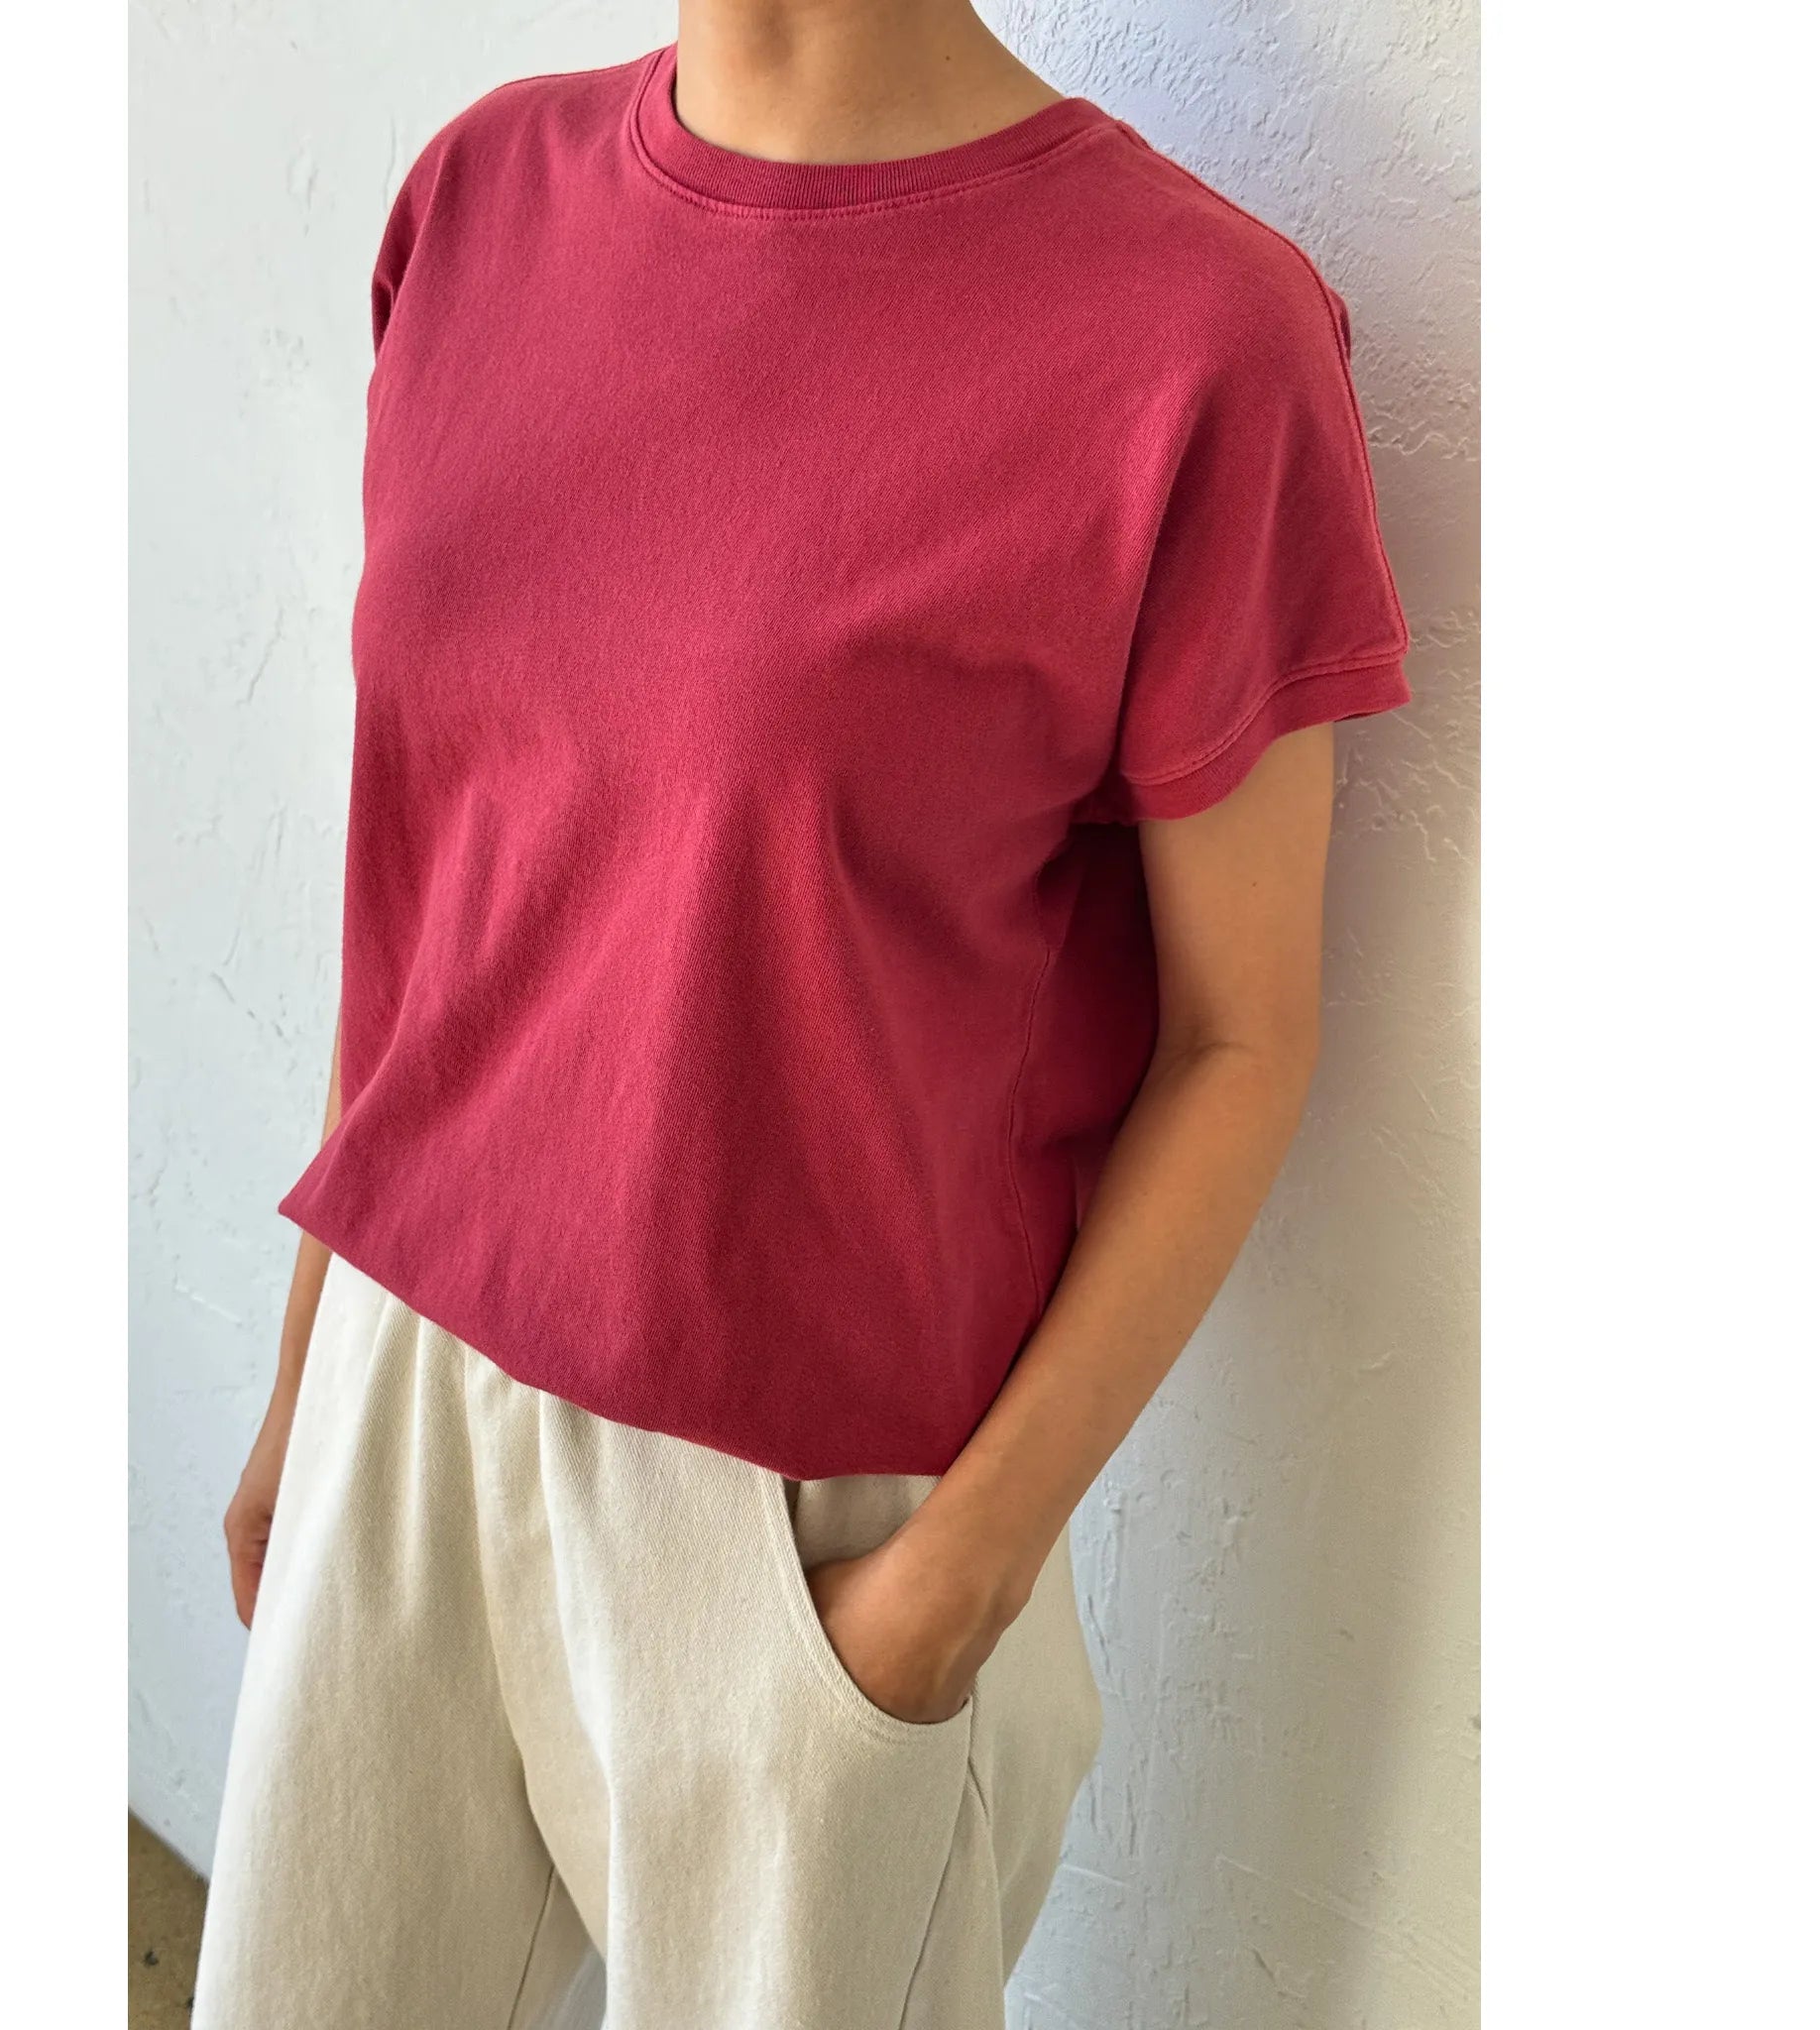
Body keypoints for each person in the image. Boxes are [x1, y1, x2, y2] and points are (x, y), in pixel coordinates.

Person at [189, 4, 1412, 2025]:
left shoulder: (1196, 337)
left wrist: (952, 1591)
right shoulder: (478, 196)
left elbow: (1239, 1038)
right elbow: (429, 874)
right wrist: (310, 1373)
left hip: (806, 1526)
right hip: (403, 1389)